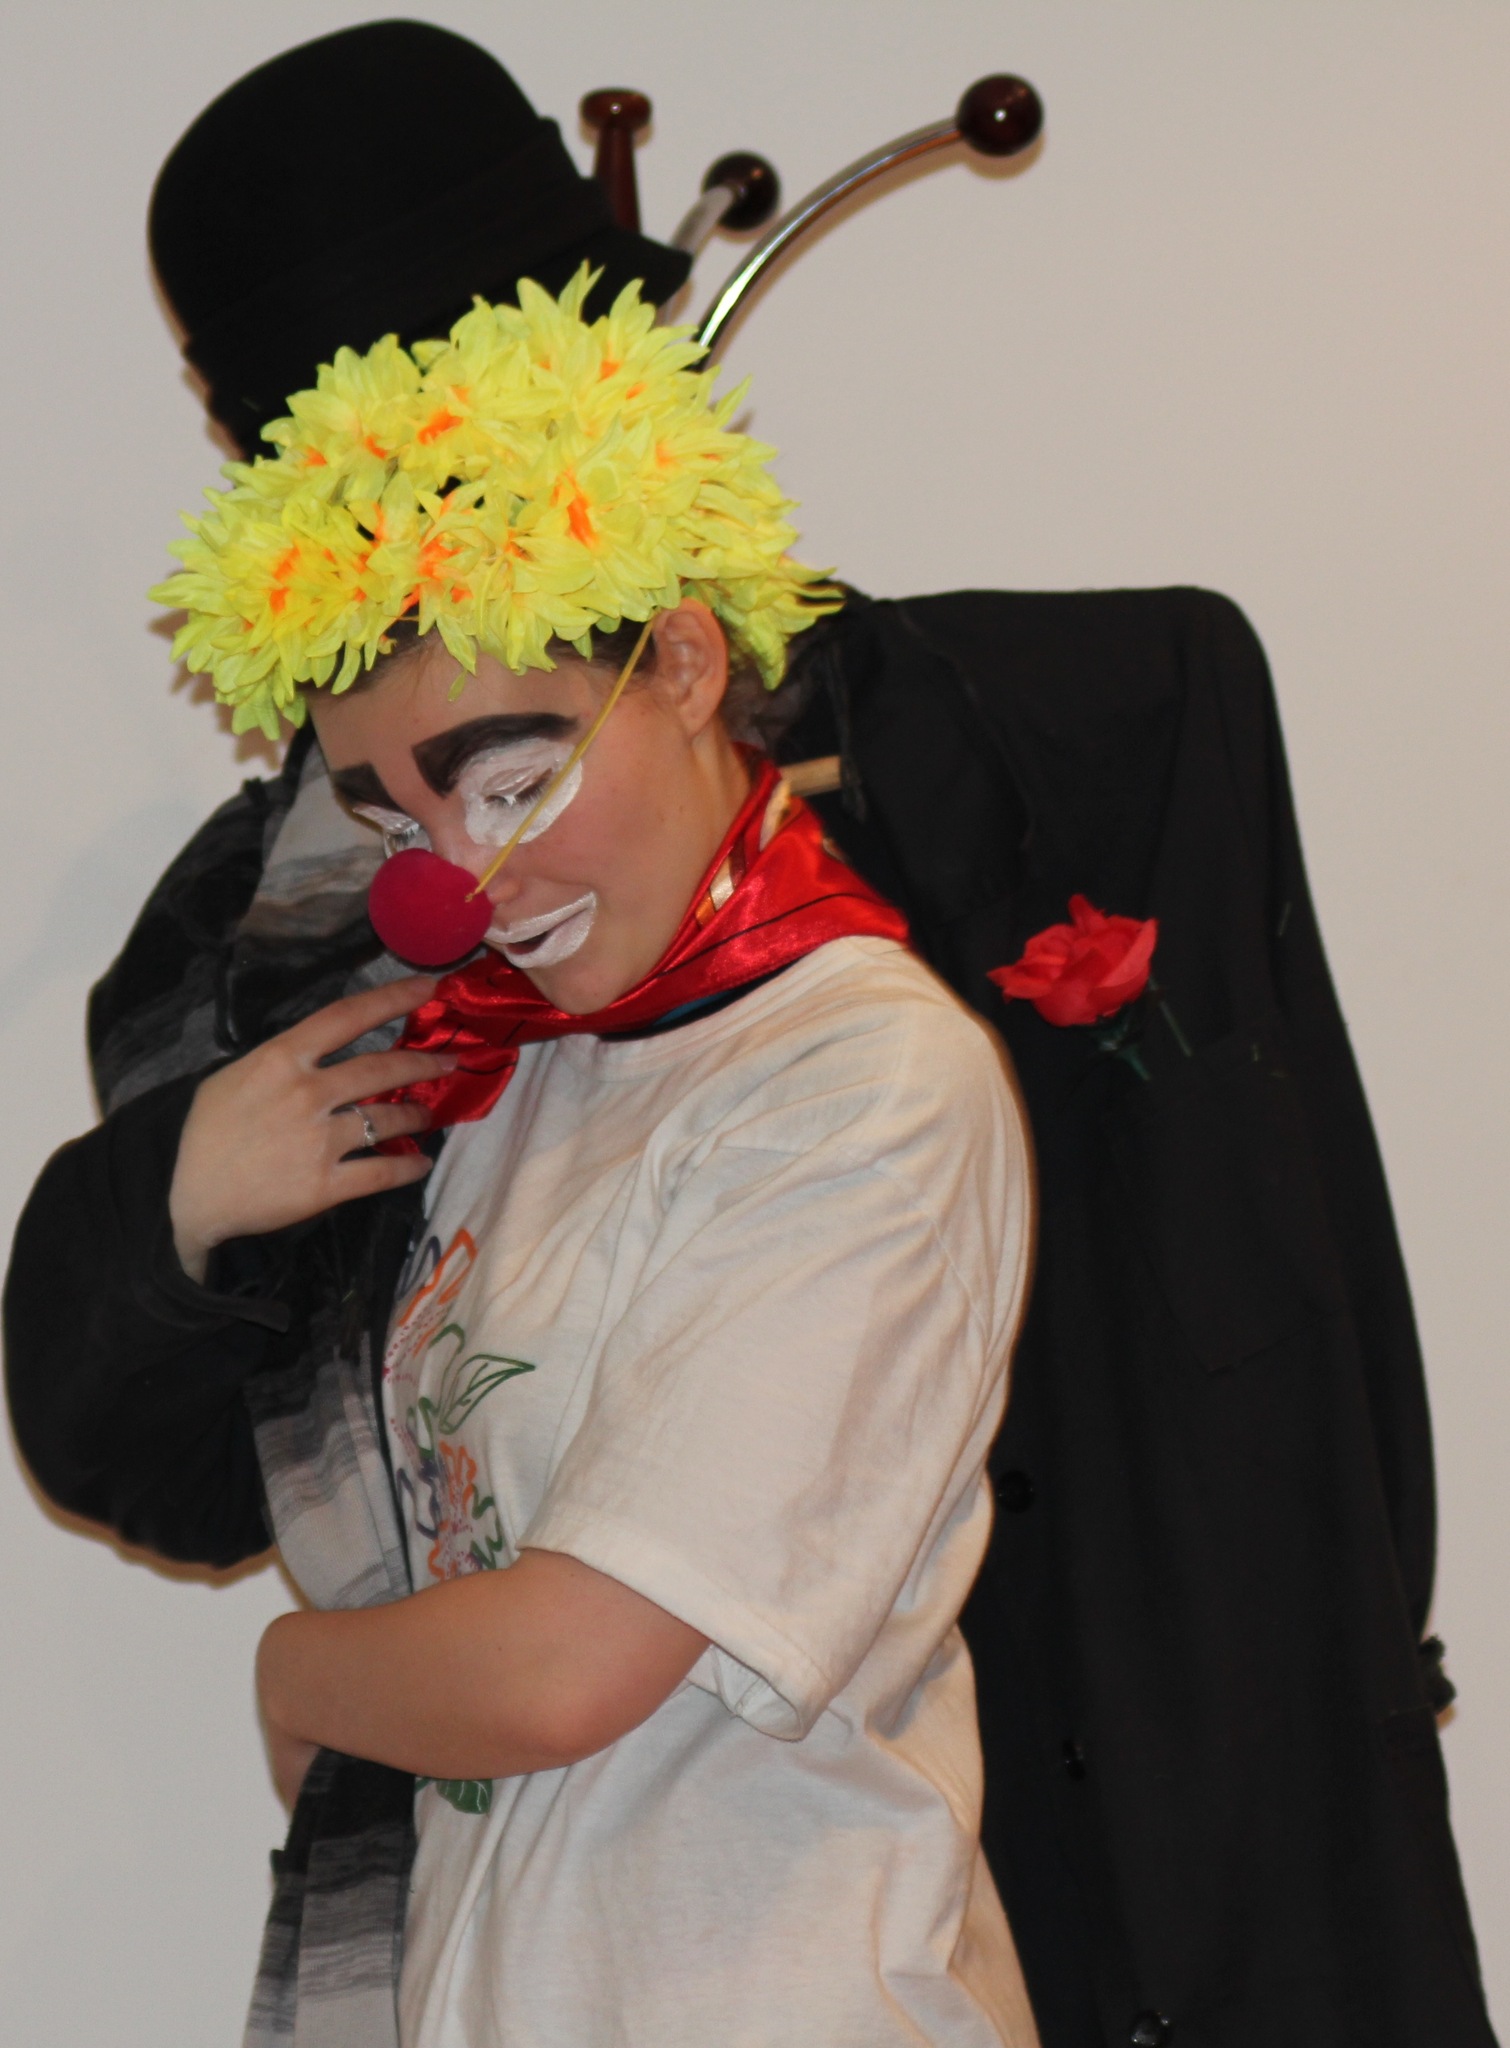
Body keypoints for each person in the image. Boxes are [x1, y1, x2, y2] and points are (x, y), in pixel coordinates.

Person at [8, 200, 1040, 2043]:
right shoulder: (514, 1067)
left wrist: (297, 1671)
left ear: (686, 666)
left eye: (509, 777)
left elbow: (567, 1663)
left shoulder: (859, 1076)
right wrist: (178, 1206)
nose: (455, 887)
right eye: (395, 822)